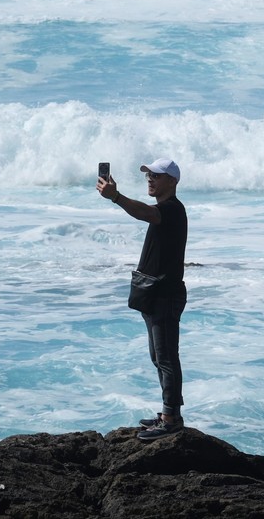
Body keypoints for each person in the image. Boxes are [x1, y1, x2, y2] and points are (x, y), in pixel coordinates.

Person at [97, 158, 188, 441]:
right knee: (159, 357)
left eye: (156, 176)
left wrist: (116, 197)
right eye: (149, 175)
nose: (150, 179)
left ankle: (171, 419)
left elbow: (144, 212)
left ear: (172, 181)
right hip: (154, 294)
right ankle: (168, 413)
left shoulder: (172, 209)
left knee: (166, 358)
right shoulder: (164, 209)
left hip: (165, 295)